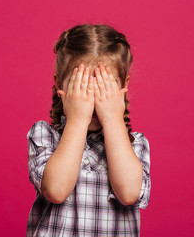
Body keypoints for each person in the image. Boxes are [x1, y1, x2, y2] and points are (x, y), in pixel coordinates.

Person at [26, 24, 151, 237]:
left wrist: (112, 118)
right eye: (81, 88)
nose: (92, 101)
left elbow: (129, 194)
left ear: (123, 87)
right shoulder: (44, 134)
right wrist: (77, 120)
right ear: (60, 86)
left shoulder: (135, 143)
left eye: (104, 88)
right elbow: (55, 190)